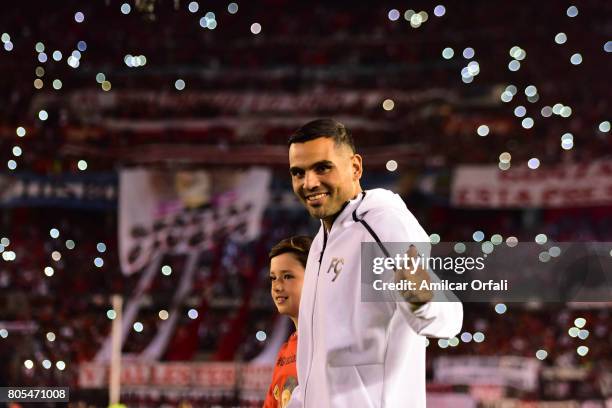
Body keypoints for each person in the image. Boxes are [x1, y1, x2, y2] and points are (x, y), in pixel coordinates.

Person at [286, 119, 463, 407]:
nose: (309, 183)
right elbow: (318, 360)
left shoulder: (381, 226)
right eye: (298, 172)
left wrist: (422, 298)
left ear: (355, 167)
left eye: (322, 167)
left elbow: (449, 319)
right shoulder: (322, 240)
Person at [263, 236, 313, 408]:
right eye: (273, 278)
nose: (277, 286)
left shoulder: (332, 342)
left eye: (287, 276)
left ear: (315, 277)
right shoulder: (284, 352)